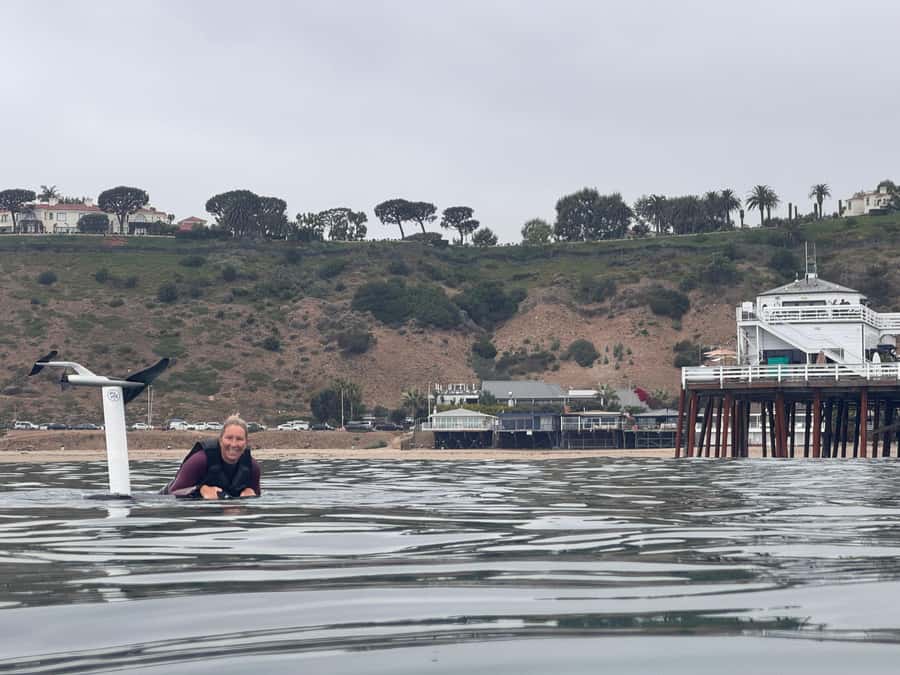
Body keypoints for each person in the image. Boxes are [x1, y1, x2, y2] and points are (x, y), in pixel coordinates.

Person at [164, 414, 261, 498]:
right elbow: (172, 493)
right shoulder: (199, 460)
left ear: (246, 443)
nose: (234, 444)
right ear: (220, 440)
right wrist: (200, 489)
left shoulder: (253, 467)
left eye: (239, 439)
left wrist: (252, 494)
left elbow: (258, 495)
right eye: (229, 438)